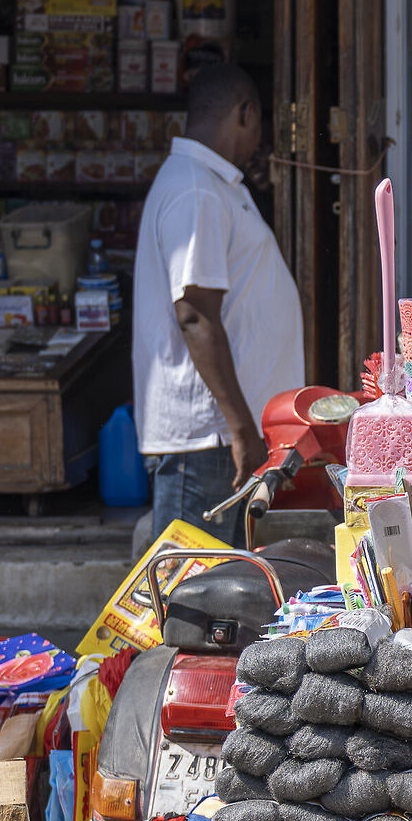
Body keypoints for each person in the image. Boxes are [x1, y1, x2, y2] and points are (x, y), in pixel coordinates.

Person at [133, 62, 303, 538]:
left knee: (212, 591)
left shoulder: (212, 185)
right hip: (210, 440)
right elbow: (194, 315)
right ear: (245, 113)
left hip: (221, 437)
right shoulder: (195, 190)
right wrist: (241, 429)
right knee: (192, 595)